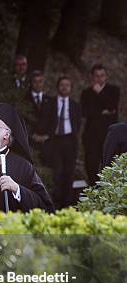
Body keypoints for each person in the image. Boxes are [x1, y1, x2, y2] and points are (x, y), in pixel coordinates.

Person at [42, 76, 81, 209]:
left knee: (69, 173)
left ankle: (67, 204)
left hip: (70, 141)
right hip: (55, 140)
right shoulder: (50, 103)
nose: (64, 87)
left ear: (71, 88)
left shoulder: (75, 105)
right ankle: (55, 203)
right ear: (58, 87)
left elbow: (78, 123)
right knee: (56, 172)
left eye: (67, 85)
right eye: (62, 85)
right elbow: (45, 120)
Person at [80, 64, 120, 184]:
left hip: (109, 136)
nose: (99, 79)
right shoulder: (86, 93)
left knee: (109, 166)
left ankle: (107, 195)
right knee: (91, 166)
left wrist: (100, 92)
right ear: (92, 77)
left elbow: (113, 107)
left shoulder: (114, 90)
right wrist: (103, 111)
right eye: (96, 76)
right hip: (91, 136)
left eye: (102, 75)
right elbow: (85, 112)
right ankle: (93, 193)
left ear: (106, 76)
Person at [23, 70, 52, 165]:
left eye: (40, 81)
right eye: (35, 81)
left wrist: (47, 135)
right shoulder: (25, 99)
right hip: (30, 141)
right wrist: (32, 135)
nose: (38, 84)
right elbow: (23, 120)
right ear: (31, 83)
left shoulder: (50, 100)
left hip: (47, 142)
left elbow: (53, 120)